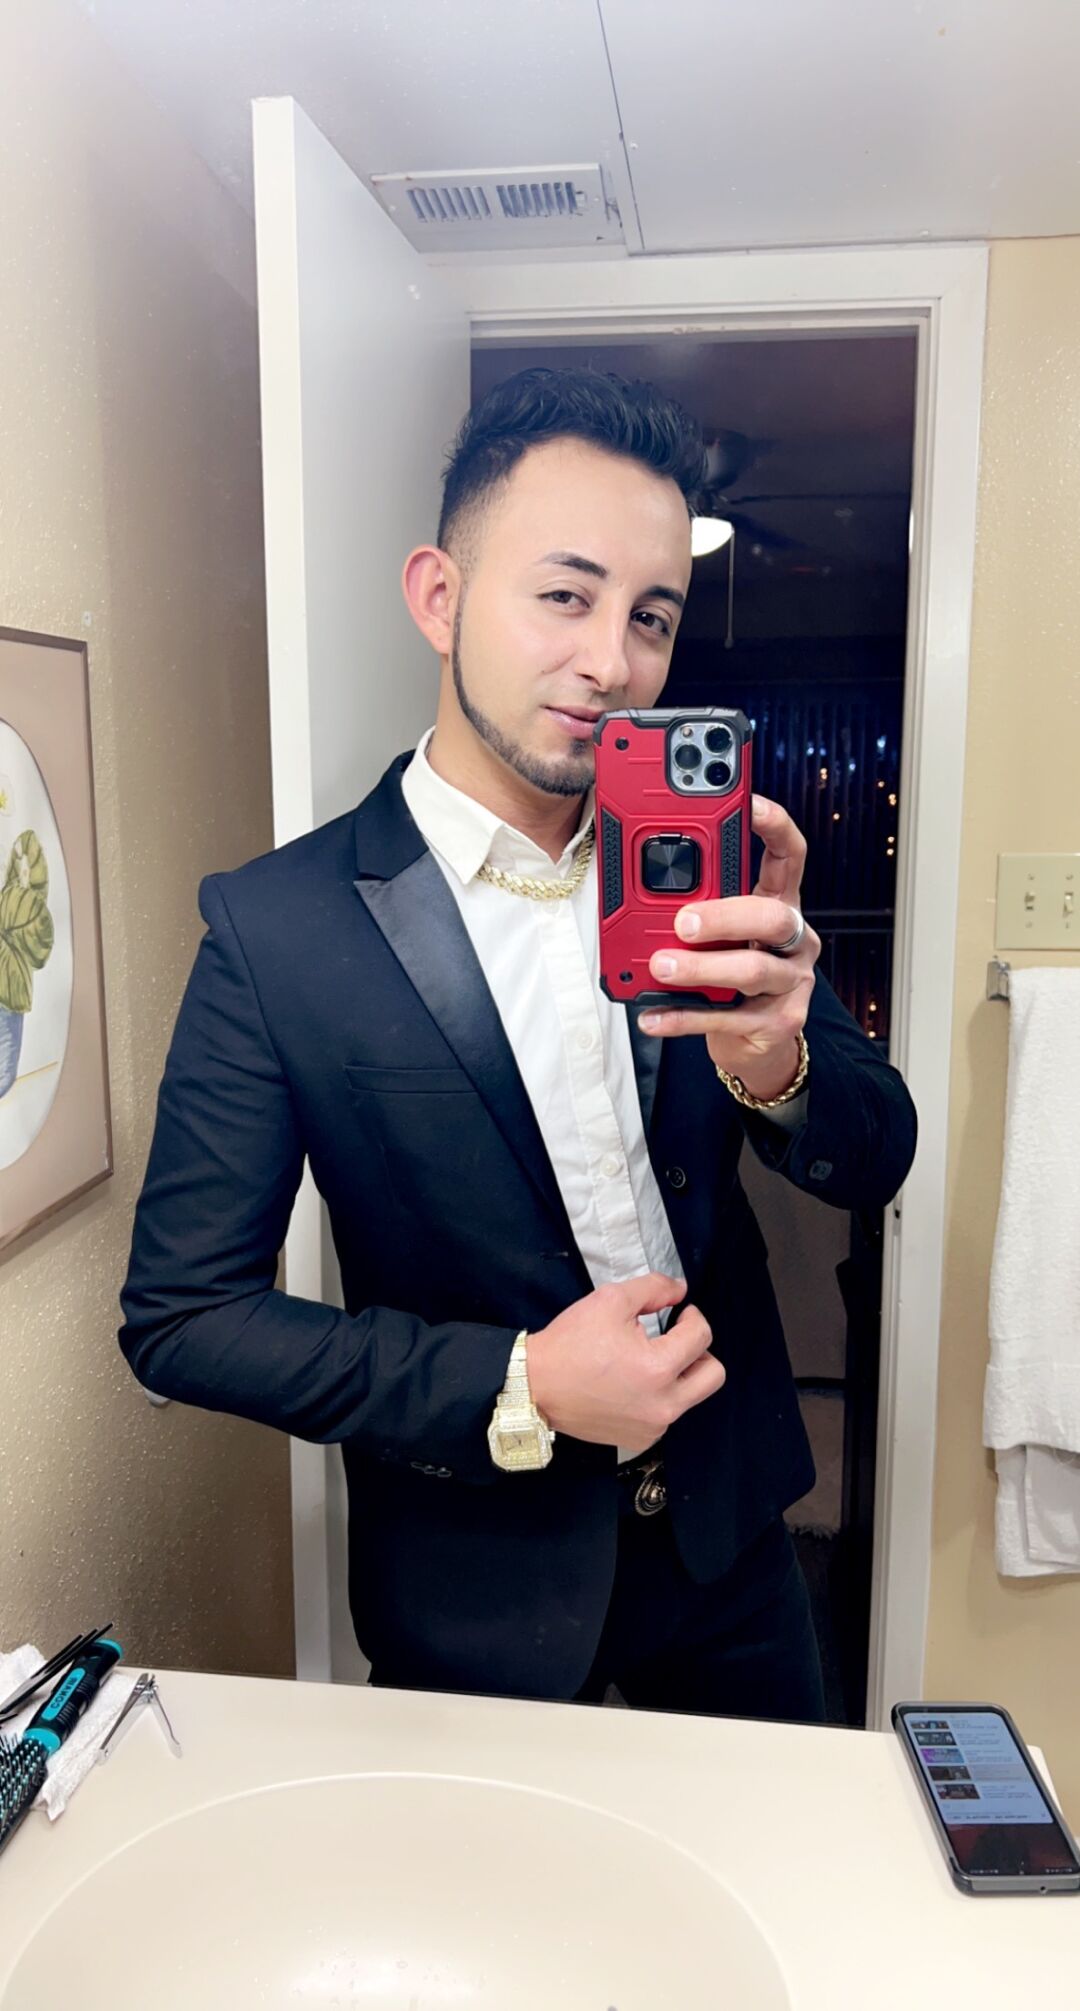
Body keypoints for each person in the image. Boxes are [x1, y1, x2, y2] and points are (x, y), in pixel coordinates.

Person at [119, 366, 916, 1719]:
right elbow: (184, 1318)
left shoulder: (702, 873)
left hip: (730, 1544)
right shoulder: (279, 930)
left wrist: (776, 1061)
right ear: (439, 597)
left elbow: (874, 1157)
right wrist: (522, 1381)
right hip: (475, 1583)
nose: (613, 662)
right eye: (565, 594)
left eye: (650, 616)